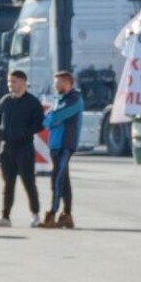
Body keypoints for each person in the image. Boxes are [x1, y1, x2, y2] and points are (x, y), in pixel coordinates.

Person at [0, 70, 44, 228]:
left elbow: (39, 123)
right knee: (8, 183)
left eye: (13, 81)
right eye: (9, 81)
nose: (10, 84)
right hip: (7, 148)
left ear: (22, 82)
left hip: (24, 147)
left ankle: (35, 214)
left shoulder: (32, 102)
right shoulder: (5, 101)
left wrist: (25, 133)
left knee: (28, 182)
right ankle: (5, 216)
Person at [41, 70, 84, 228]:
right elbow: (46, 120)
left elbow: (54, 117)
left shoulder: (74, 99)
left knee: (57, 179)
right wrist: (51, 120)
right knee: (64, 180)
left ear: (67, 83)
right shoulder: (60, 99)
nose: (54, 85)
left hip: (65, 145)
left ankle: (52, 214)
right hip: (55, 145)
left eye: (57, 82)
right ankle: (67, 215)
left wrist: (52, 120)